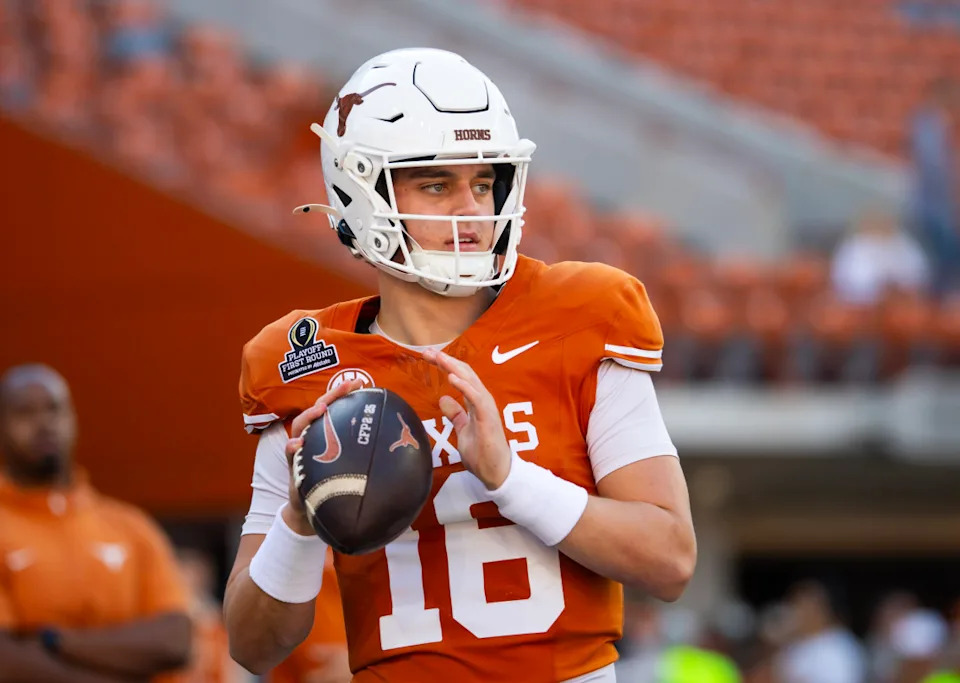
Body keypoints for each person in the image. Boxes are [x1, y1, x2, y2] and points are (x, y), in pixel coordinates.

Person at [224, 48, 696, 682]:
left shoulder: (578, 316)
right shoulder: (305, 363)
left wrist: (511, 479)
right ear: (359, 190)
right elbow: (252, 647)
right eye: (437, 184)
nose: (472, 212)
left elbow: (669, 559)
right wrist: (300, 523)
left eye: (484, 183)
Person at [0, 363, 192, 682]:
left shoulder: (130, 526)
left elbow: (175, 640)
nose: (44, 422)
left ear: (72, 419)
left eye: (54, 409)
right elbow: (6, 662)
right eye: (25, 412)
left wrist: (53, 641)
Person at [773, 579, 866, 683]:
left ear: (820, 610)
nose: (796, 614)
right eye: (794, 607)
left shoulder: (839, 646)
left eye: (803, 607)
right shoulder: (791, 645)